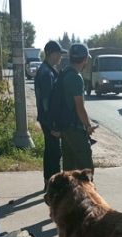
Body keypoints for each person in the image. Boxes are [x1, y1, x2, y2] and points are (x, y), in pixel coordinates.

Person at [60, 43, 97, 172]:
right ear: (85, 59)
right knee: (86, 172)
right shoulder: (76, 77)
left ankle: (68, 193)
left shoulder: (64, 73)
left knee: (69, 172)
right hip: (76, 129)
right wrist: (88, 126)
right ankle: (87, 193)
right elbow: (80, 108)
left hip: (65, 128)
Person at [34, 40, 63, 190]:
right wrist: (52, 125)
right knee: (55, 153)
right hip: (49, 120)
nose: (60, 57)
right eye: (59, 54)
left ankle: (48, 182)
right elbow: (47, 102)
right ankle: (54, 186)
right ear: (51, 54)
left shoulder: (46, 70)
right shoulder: (46, 73)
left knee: (50, 151)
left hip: (46, 119)